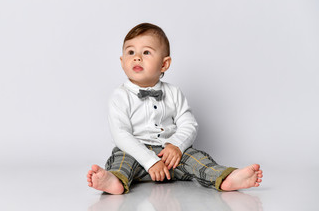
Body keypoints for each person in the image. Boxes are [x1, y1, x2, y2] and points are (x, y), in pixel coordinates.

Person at [87, 23, 263, 194]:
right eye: (131, 52)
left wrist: (176, 146)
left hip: (168, 154)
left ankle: (225, 178)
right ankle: (114, 180)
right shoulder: (120, 96)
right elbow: (121, 134)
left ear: (164, 64)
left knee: (196, 159)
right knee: (121, 160)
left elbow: (189, 124)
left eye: (146, 52)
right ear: (122, 61)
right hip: (135, 153)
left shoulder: (173, 92)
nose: (137, 57)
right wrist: (149, 161)